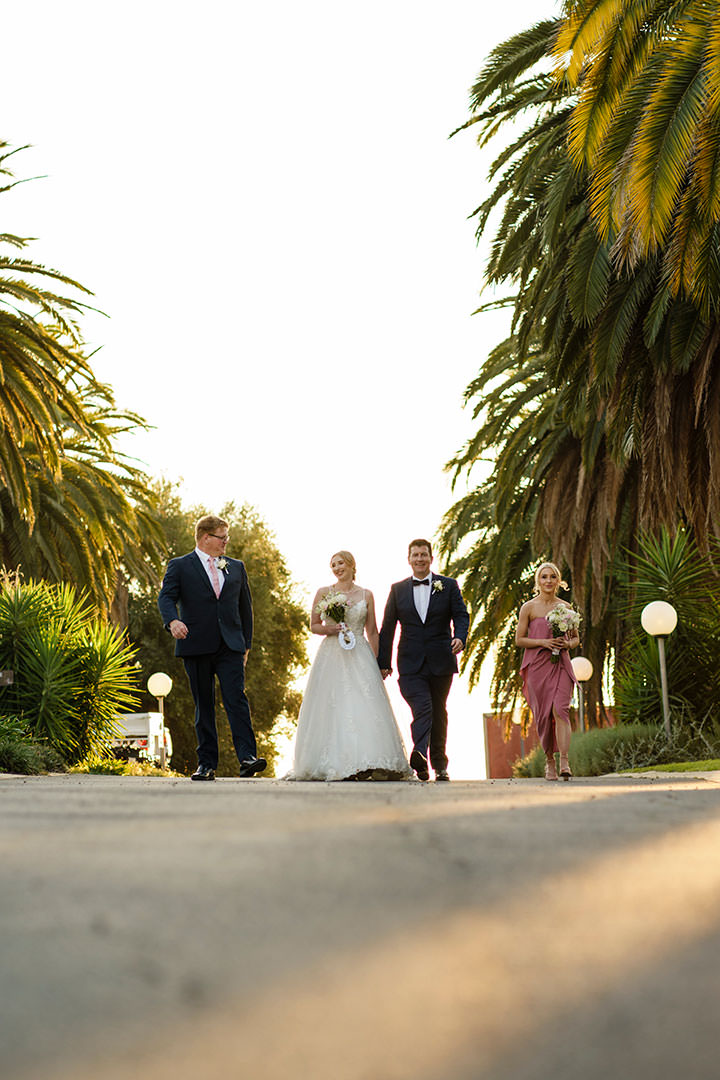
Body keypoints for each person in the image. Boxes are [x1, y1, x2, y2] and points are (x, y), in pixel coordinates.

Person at [157, 514, 266, 781]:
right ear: (206, 537)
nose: (226, 542)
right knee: (203, 704)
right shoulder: (180, 566)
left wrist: (246, 647)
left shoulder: (236, 567)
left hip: (230, 647)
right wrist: (172, 621)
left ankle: (247, 758)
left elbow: (245, 610)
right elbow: (166, 597)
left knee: (236, 699)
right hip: (195, 644)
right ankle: (206, 764)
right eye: (222, 537)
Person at [291, 550, 411, 781]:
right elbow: (313, 625)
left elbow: (372, 630)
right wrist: (331, 629)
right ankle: (340, 762)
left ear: (352, 565)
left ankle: (371, 760)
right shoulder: (324, 593)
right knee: (334, 705)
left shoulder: (367, 595)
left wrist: (378, 663)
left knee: (364, 705)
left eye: (340, 563)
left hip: (360, 653)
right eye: (333, 565)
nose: (336, 568)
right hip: (332, 654)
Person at [377, 539, 469, 782]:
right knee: (423, 707)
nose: (419, 559)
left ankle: (438, 766)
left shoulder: (448, 585)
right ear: (408, 559)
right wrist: (383, 662)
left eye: (423, 555)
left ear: (431, 557)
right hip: (409, 663)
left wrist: (460, 637)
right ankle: (419, 753)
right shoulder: (398, 590)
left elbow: (461, 614)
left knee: (438, 712)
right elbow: (387, 626)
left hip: (441, 660)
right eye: (415, 555)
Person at [516, 562, 579, 781]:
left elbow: (575, 637)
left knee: (560, 709)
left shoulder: (565, 607)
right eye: (544, 577)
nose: (548, 581)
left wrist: (567, 645)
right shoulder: (529, 608)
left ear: (558, 580)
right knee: (543, 717)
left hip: (560, 664)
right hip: (537, 667)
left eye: (552, 577)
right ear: (538, 581)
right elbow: (519, 639)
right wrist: (544, 642)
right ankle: (549, 762)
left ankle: (564, 761)